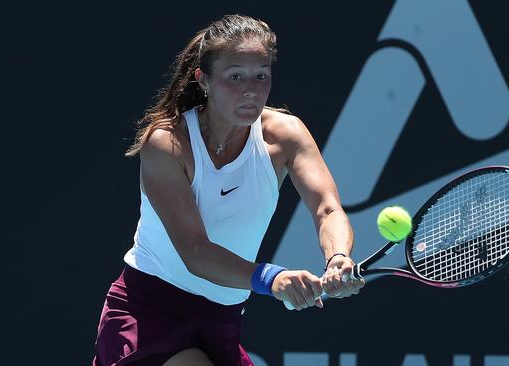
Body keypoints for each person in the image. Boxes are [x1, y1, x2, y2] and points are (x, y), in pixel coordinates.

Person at [92, 14, 365, 366]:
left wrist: (338, 257)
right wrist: (272, 278)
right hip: (149, 312)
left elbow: (327, 209)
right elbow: (195, 250)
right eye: (235, 76)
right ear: (203, 81)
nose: (251, 88)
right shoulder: (168, 144)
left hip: (223, 320)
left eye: (261, 75)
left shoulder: (285, 135)